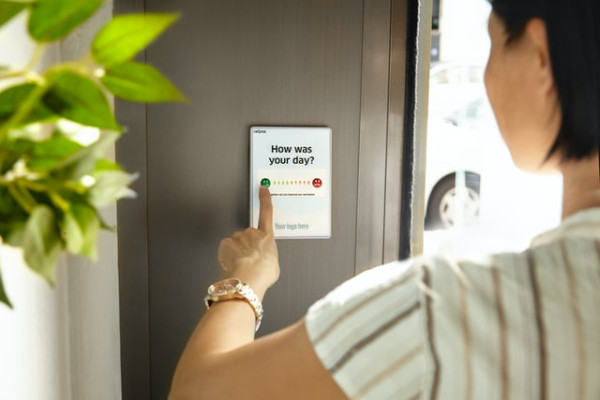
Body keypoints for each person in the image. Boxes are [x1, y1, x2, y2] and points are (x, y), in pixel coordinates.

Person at [169, 0, 600, 398]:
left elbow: (196, 391)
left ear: (540, 57)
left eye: (493, 42)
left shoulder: (438, 309)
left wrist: (249, 278)